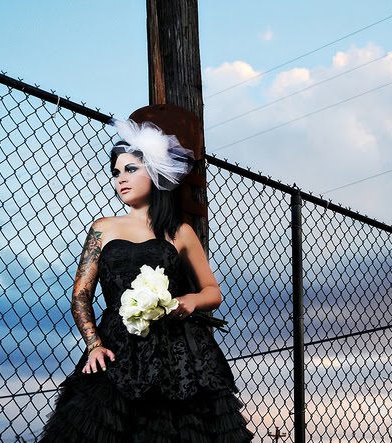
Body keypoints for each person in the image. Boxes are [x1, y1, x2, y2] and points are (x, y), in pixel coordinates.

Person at [39, 119, 254, 442]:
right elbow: (81, 295)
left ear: (154, 172)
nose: (120, 179)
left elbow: (212, 291)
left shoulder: (180, 232)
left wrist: (191, 300)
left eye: (130, 169)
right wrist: (94, 344)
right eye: (116, 173)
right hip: (117, 348)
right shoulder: (104, 228)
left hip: (177, 353)